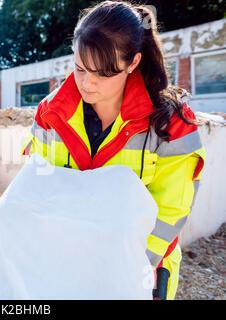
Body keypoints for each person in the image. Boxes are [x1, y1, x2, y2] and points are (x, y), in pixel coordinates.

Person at [21, 1, 205, 300]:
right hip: (64, 264)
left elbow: (170, 211)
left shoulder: (171, 123)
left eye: (103, 72)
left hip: (137, 268)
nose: (87, 82)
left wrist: (124, 270)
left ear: (132, 63)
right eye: (80, 68)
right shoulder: (51, 113)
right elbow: (34, 188)